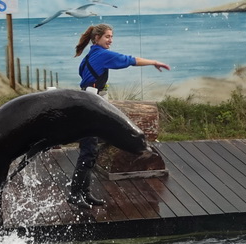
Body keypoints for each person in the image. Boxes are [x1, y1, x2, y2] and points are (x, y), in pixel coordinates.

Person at [68, 23, 170, 210]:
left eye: (111, 36)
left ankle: (85, 192)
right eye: (107, 36)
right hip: (91, 105)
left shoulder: (91, 55)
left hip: (91, 103)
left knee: (91, 149)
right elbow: (129, 60)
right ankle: (75, 194)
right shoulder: (102, 55)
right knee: (88, 150)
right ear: (97, 38)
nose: (110, 40)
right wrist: (153, 62)